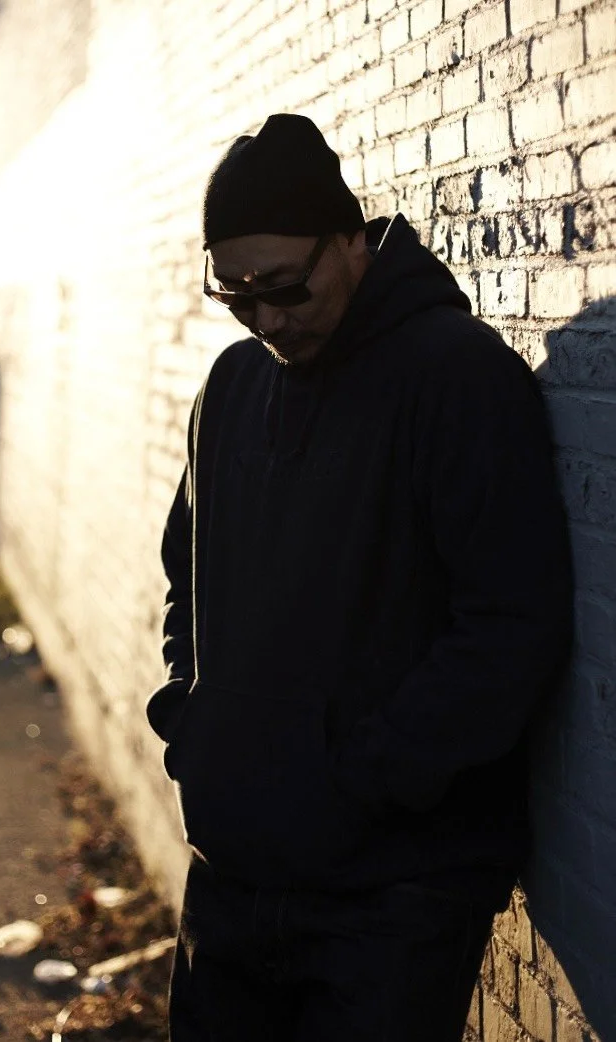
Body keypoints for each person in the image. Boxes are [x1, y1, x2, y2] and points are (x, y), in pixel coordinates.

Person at [146, 113, 573, 1041]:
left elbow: (511, 621)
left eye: (283, 287)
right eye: (235, 295)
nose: (265, 318)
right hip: (232, 866)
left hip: (395, 891)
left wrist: (365, 778)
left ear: (348, 240)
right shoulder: (232, 386)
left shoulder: (457, 377)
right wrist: (195, 721)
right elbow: (187, 572)